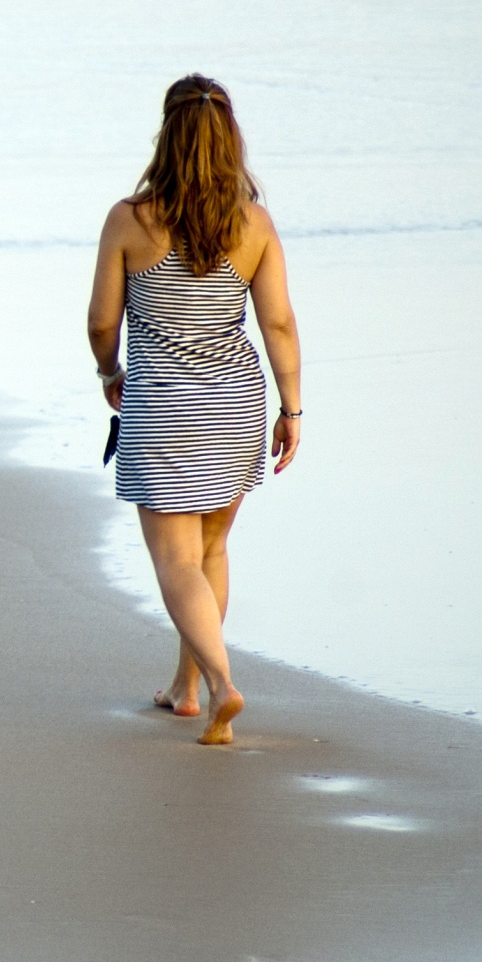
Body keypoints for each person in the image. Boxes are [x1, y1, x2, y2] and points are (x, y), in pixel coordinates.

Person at [87, 74, 302, 746]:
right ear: (229, 139)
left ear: (167, 136)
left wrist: (109, 369)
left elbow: (100, 322)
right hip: (237, 407)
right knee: (210, 547)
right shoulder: (253, 224)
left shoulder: (131, 219)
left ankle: (219, 684)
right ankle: (184, 689)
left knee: (177, 560)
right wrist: (291, 409)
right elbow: (279, 327)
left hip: (163, 410)